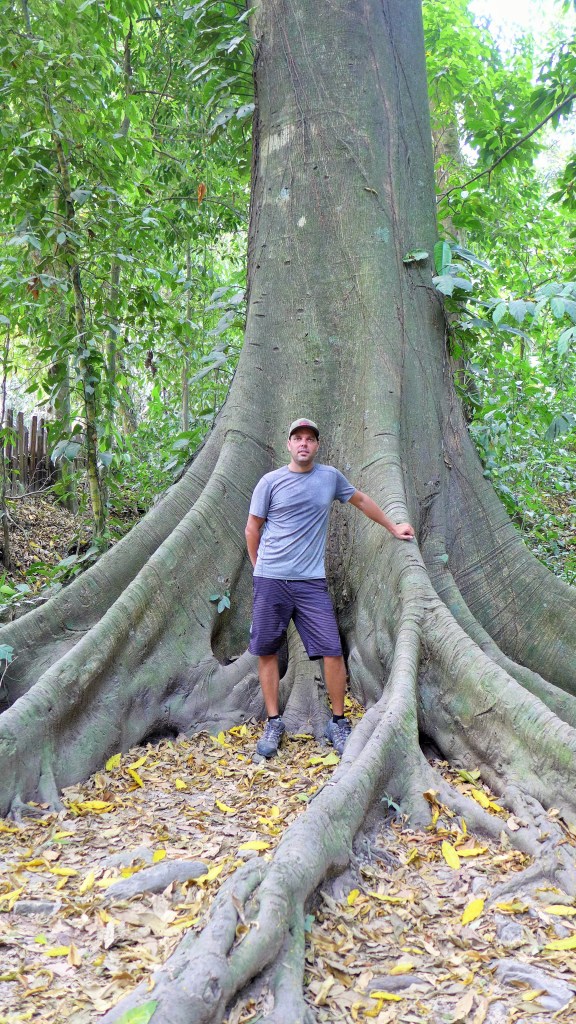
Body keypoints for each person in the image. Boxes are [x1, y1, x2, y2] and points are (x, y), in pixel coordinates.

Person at [245, 418, 415, 758]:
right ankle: (274, 721)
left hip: (310, 583)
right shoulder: (270, 482)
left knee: (332, 651)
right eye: (298, 438)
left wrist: (393, 527)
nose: (304, 443)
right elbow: (253, 528)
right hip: (271, 580)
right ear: (289, 445)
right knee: (266, 651)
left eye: (310, 439)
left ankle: (337, 721)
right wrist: (258, 569)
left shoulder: (329, 478)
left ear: (317, 446)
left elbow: (362, 500)